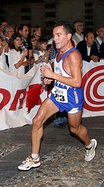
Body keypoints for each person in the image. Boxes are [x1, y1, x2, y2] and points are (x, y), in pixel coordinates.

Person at [18, 21, 97, 171]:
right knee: (37, 120)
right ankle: (34, 158)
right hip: (57, 93)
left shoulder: (73, 55)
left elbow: (76, 82)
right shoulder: (58, 51)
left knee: (74, 129)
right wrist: (51, 78)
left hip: (72, 96)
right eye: (54, 35)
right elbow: (61, 72)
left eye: (59, 35)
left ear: (68, 36)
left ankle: (89, 144)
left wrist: (52, 74)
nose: (55, 38)